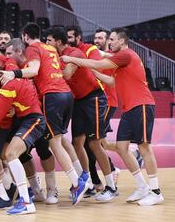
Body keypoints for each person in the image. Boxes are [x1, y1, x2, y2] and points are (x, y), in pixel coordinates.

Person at [62, 27, 164, 206]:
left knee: (145, 147)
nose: (110, 42)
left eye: (113, 40)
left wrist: (72, 59)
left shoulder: (126, 55)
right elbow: (111, 81)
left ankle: (156, 191)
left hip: (142, 105)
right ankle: (142, 186)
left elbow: (99, 62)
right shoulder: (121, 61)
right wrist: (92, 72)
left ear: (122, 41)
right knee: (122, 148)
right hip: (129, 109)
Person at [0, 23, 88, 206]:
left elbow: (33, 70)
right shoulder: (50, 48)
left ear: (25, 36)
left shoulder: (33, 47)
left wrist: (13, 74)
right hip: (66, 95)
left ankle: (77, 182)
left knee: (54, 143)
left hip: (52, 96)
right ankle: (76, 180)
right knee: (59, 141)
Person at [46, 27, 118, 202]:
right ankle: (89, 183)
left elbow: (67, 74)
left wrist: (48, 75)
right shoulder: (55, 57)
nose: (46, 44)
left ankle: (111, 186)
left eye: (49, 41)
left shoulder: (74, 52)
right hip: (77, 100)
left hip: (93, 98)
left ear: (58, 41)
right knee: (77, 143)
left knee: (94, 143)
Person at [0, 60, 46, 215]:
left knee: (10, 154)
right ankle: (26, 197)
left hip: (34, 120)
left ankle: (27, 201)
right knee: (8, 154)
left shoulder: (7, 88)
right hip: (26, 119)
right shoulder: (13, 73)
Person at [67, 25, 120, 191]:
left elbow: (96, 64)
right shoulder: (74, 52)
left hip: (102, 99)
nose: (97, 41)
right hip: (81, 100)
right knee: (86, 143)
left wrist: (73, 60)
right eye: (96, 38)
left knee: (94, 143)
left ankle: (108, 176)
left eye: (102, 38)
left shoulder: (90, 51)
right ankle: (93, 181)